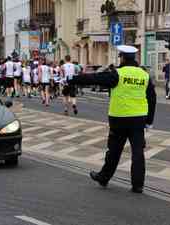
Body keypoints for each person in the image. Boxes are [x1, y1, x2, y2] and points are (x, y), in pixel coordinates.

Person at [72, 45, 156, 193]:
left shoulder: (117, 73)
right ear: (134, 59)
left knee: (114, 151)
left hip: (120, 118)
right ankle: (138, 185)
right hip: (138, 119)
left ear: (122, 57)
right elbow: (152, 98)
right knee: (138, 152)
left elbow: (95, 78)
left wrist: (74, 79)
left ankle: (104, 177)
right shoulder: (144, 75)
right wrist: (149, 120)